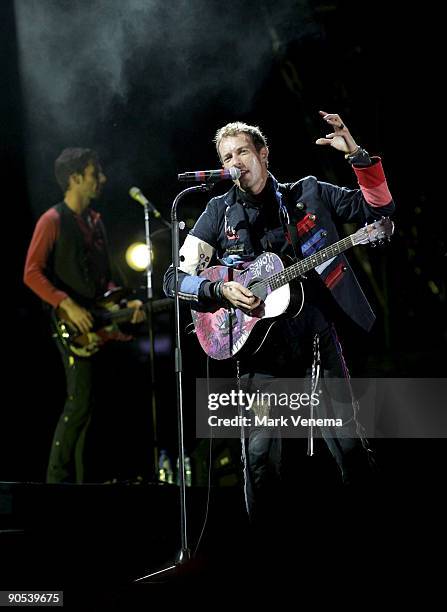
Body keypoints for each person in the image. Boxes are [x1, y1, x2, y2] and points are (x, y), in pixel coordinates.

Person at [163, 112, 395, 523]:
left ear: (263, 153)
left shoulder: (307, 193)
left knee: (349, 447)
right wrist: (218, 290)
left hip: (314, 343)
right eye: (227, 156)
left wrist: (357, 155)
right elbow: (174, 279)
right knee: (259, 460)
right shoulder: (218, 212)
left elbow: (377, 206)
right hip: (259, 358)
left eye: (243, 152)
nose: (236, 161)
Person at [24, 148, 145, 484]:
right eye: (95, 173)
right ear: (75, 179)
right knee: (78, 405)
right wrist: (65, 303)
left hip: (99, 324)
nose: (102, 179)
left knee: (95, 407)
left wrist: (125, 304)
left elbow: (103, 279)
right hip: (70, 327)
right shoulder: (51, 220)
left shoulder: (96, 221)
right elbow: (31, 272)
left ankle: (86, 483)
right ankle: (56, 482)